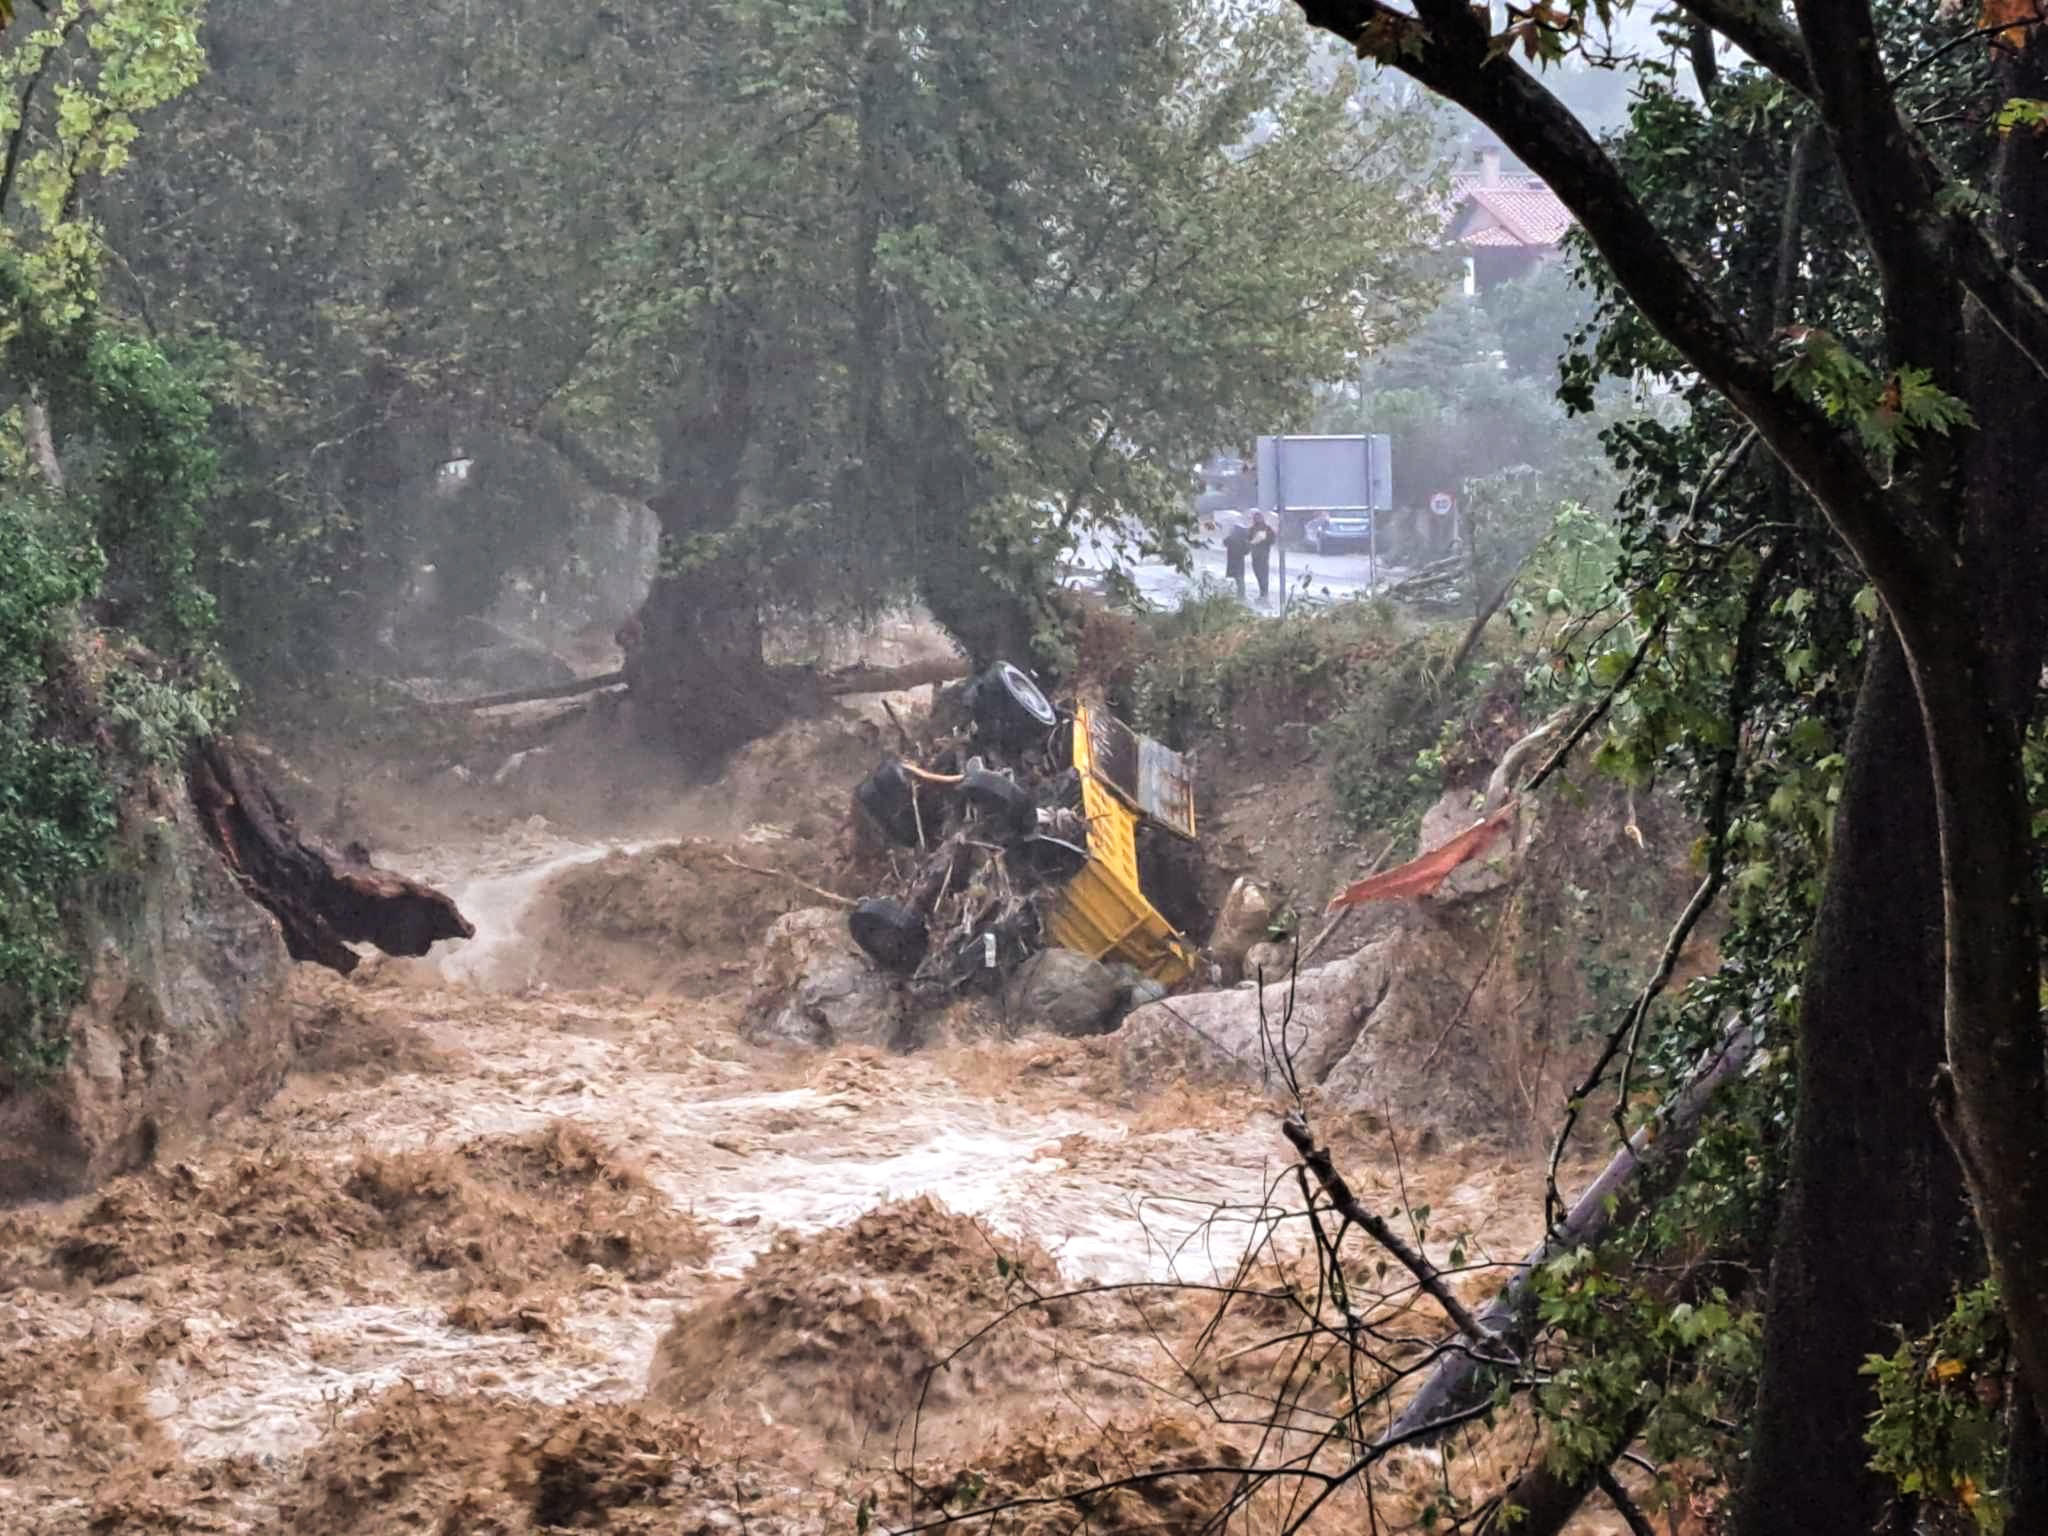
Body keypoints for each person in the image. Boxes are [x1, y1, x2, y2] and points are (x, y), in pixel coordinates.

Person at [1247, 513, 1276, 604]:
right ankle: (1262, 594)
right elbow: (1248, 540)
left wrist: (1264, 538)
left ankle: (1264, 595)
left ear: (1262, 518)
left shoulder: (1267, 528)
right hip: (1255, 555)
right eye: (1255, 518)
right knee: (1258, 575)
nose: (1257, 519)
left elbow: (1272, 540)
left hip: (1263, 555)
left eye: (1258, 518)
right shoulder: (1252, 529)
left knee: (1263, 575)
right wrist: (1251, 542)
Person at [1222, 518, 1250, 600]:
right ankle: (1241, 595)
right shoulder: (1243, 540)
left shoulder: (1232, 538)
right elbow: (1247, 551)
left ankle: (1231, 594)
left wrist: (1230, 534)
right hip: (1239, 562)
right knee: (1239, 579)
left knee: (1233, 579)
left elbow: (1225, 542)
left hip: (1232, 561)